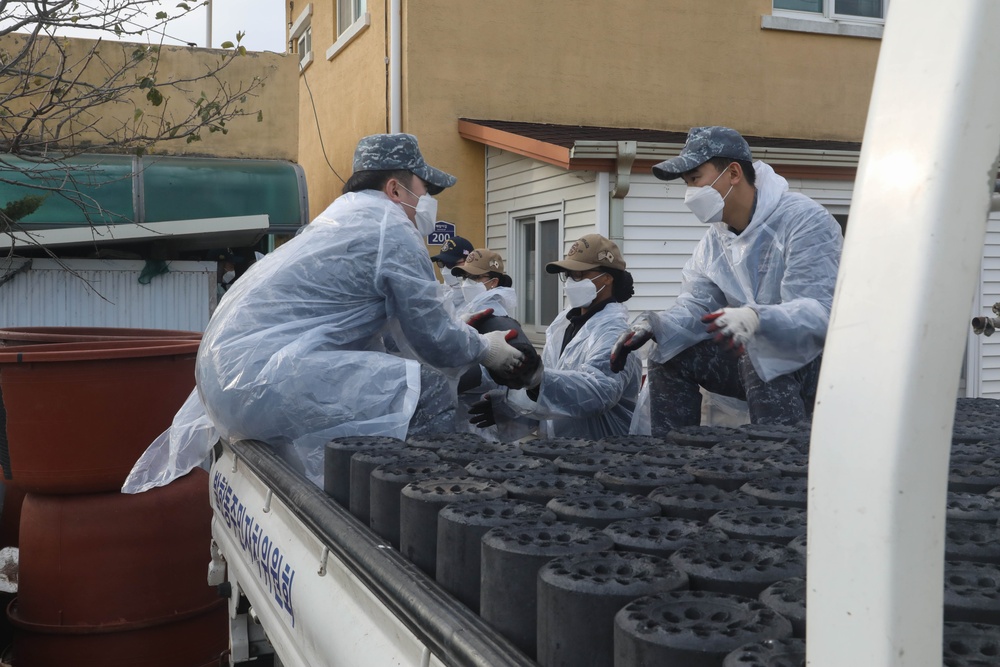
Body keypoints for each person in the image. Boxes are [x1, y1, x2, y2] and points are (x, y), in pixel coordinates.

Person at [194, 133, 524, 482]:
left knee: (388, 382)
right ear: (395, 189)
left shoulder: (339, 220)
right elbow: (435, 343)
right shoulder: (391, 228)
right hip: (258, 378)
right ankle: (431, 496)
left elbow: (393, 334)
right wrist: (485, 348)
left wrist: (456, 327)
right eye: (424, 190)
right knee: (427, 388)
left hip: (228, 379)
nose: (426, 202)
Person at [609, 126, 843, 434]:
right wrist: (655, 325)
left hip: (822, 365)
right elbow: (696, 305)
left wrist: (756, 318)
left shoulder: (804, 220)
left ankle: (780, 463)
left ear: (733, 173)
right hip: (758, 363)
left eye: (695, 179)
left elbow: (821, 311)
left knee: (760, 350)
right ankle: (672, 459)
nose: (689, 193)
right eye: (686, 183)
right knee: (669, 352)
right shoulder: (715, 242)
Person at [471, 234, 642, 439]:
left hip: (604, 452)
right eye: (568, 274)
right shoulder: (565, 324)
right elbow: (555, 399)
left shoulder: (614, 331)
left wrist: (538, 380)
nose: (570, 281)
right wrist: (509, 409)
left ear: (607, 277)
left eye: (579, 274)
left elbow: (598, 393)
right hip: (563, 451)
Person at [450, 248, 518, 320]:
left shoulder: (493, 314)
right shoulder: (473, 307)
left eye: (474, 277)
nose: (466, 282)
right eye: (464, 277)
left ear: (494, 282)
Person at [430, 234, 473, 314]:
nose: (445, 269)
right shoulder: (442, 292)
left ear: (468, 262)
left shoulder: (476, 293)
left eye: (450, 264)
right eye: (441, 263)